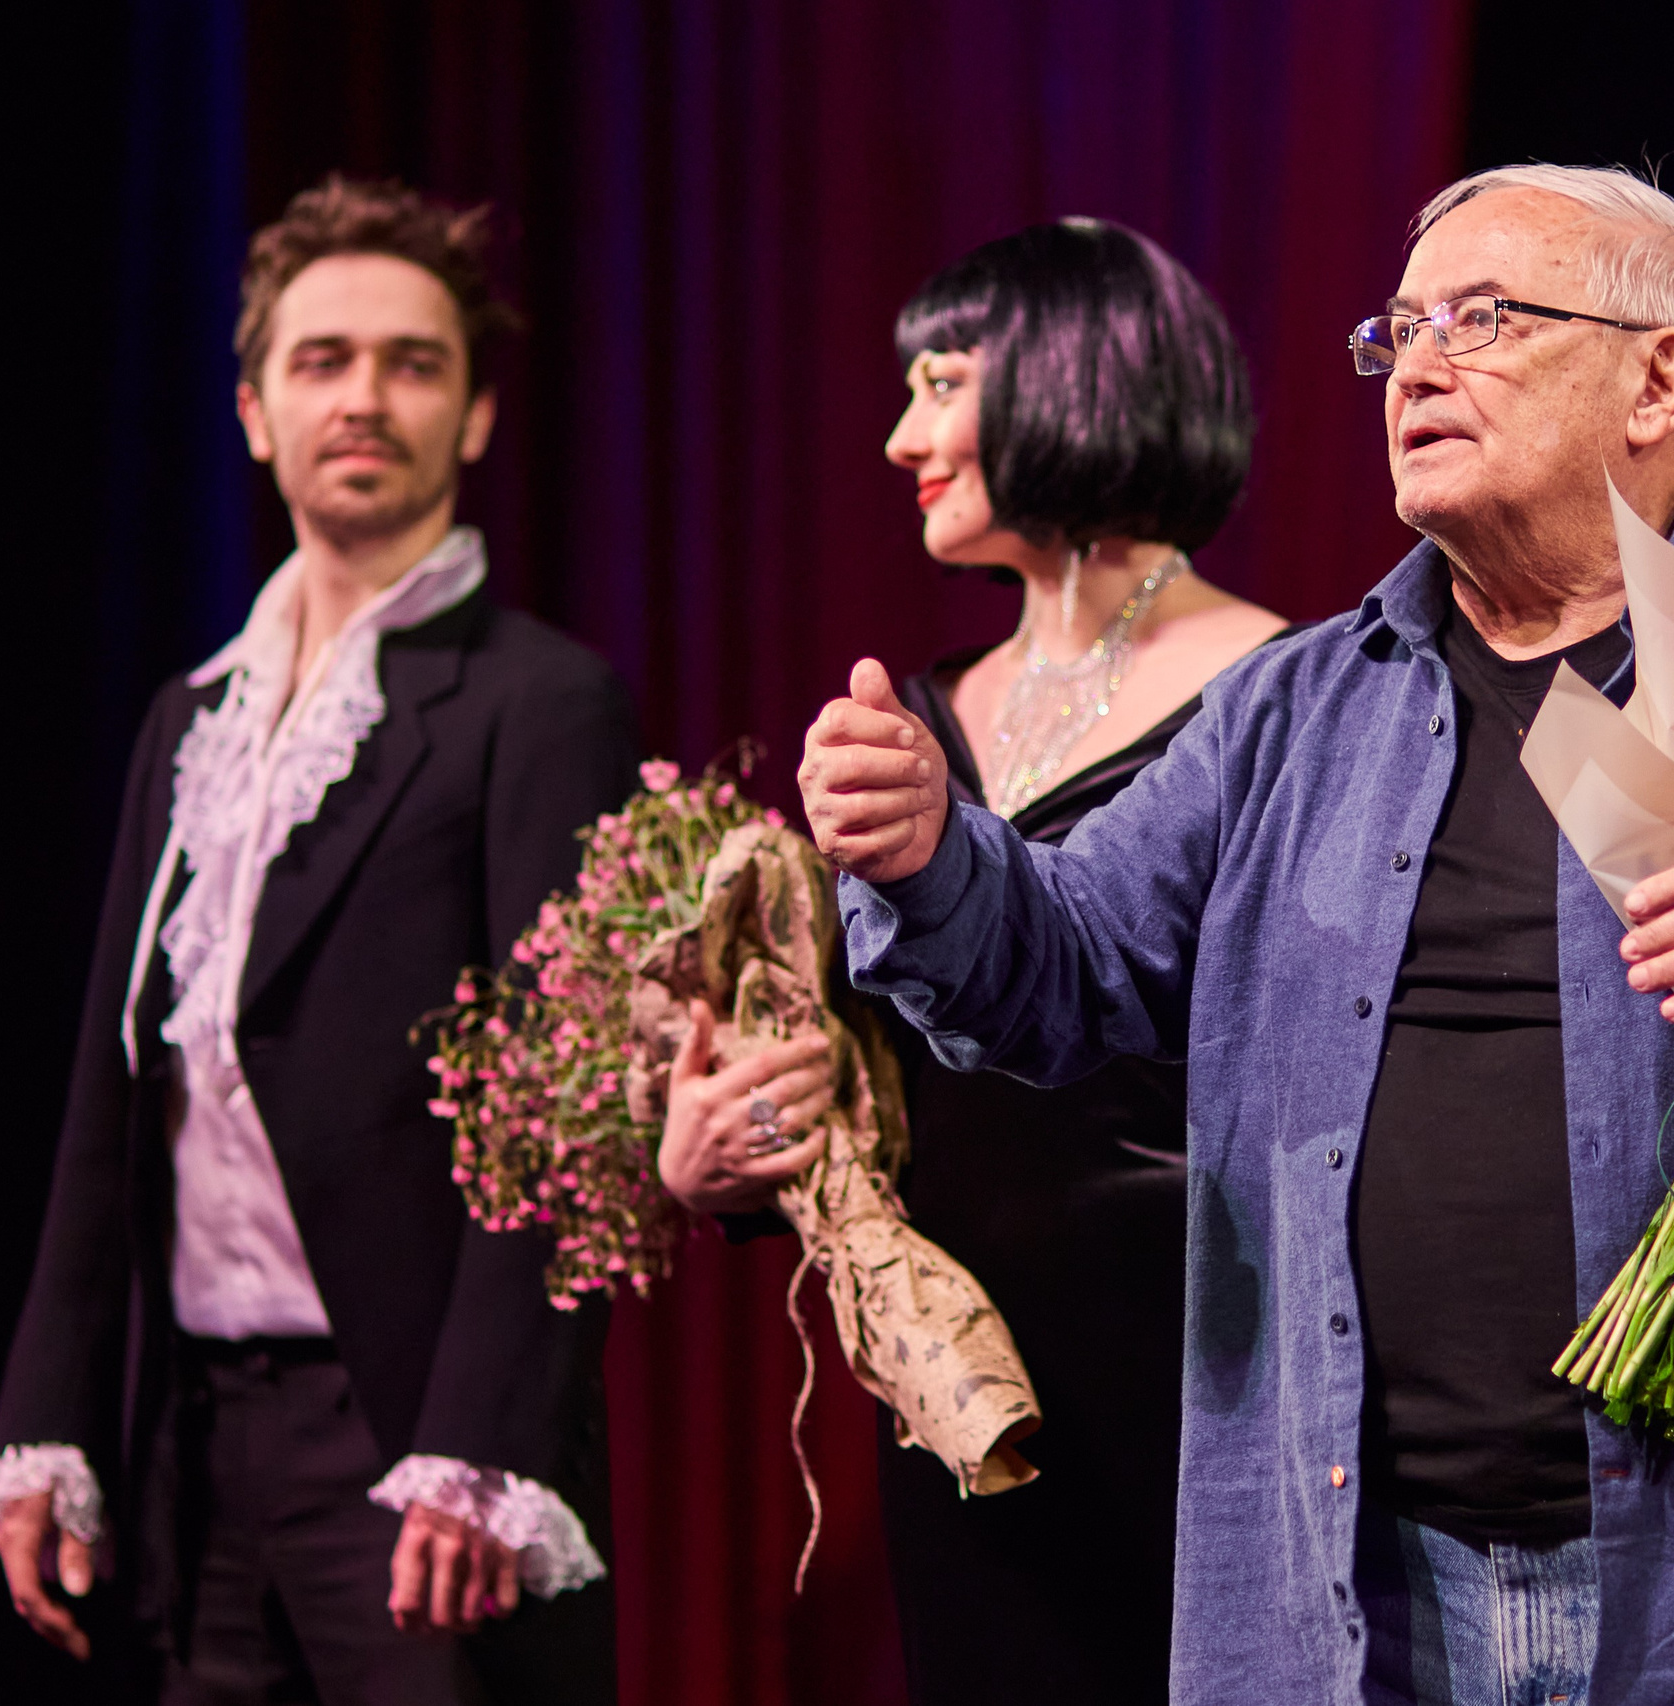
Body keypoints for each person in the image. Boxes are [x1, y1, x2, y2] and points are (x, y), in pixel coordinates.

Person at [798, 164, 1674, 1705]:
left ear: (1659, 375)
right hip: (1365, 1610)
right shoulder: (1295, 712)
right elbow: (1067, 968)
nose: (1415, 366)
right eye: (1397, 332)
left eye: (1482, 320)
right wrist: (935, 850)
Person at [0, 176, 634, 1703]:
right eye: (323, 359)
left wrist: (479, 1442)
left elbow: (574, 1105)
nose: (366, 396)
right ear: (253, 409)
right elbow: (110, 1099)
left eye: (415, 363)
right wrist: (45, 1416)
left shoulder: (540, 703)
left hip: (410, 1435)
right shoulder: (188, 718)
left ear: (475, 417)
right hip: (194, 1437)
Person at [657, 218, 1287, 1704]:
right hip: (973, 1383)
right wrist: (729, 1151)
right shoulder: (916, 714)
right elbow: (884, 1070)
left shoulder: (1282, 690)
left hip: (1211, 1366)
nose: (899, 438)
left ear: (1078, 375)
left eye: (942, 384)